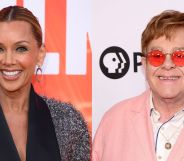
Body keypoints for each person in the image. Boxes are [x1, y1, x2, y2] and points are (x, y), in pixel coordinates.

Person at [0, 5, 90, 161]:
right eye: (0, 49)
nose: (8, 60)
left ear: (40, 55)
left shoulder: (67, 120)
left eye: (20, 49)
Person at [93, 10, 184, 161]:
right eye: (157, 56)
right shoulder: (114, 120)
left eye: (180, 56)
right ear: (144, 64)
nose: (168, 65)